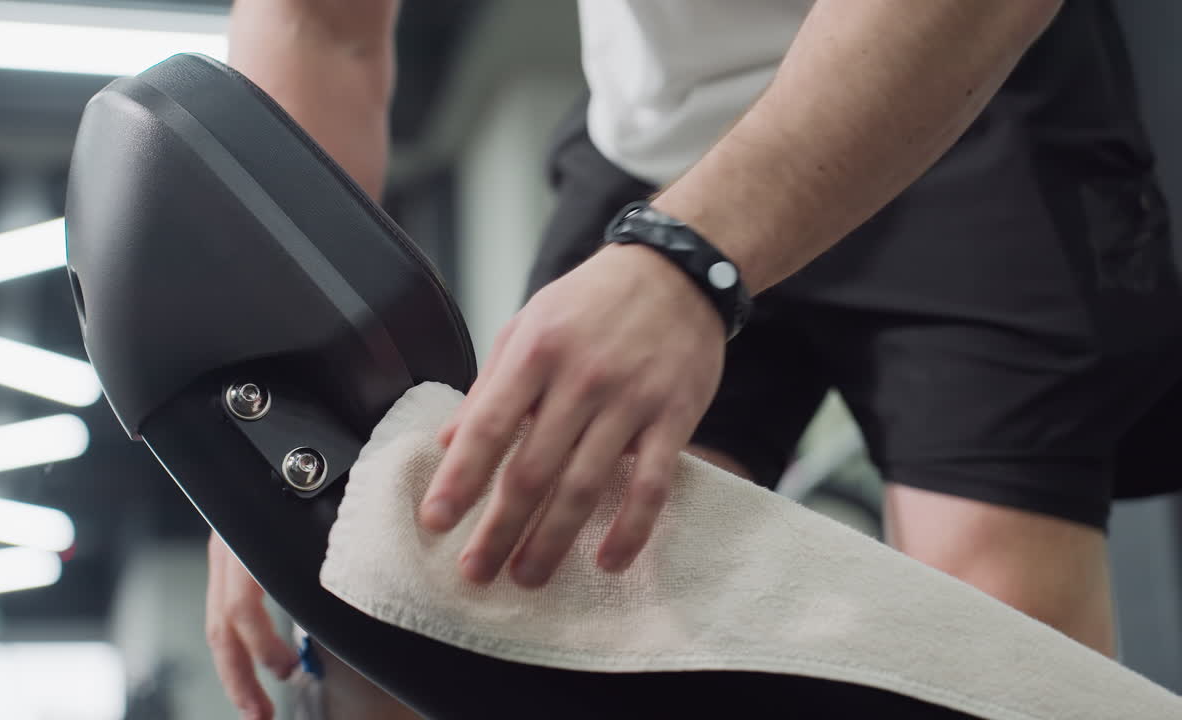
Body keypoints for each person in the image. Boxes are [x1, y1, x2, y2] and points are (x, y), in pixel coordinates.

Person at [204, 1, 1182, 718]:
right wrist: (277, 401)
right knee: (489, 592)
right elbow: (318, 25)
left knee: (993, 654)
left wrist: (692, 262)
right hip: (655, 135)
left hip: (949, 85)